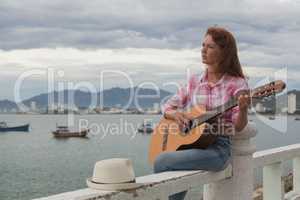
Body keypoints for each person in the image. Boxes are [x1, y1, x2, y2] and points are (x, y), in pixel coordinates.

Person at [153, 26, 251, 200]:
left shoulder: (237, 83)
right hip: (192, 144)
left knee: (162, 161)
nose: (203, 50)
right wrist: (175, 115)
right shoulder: (195, 81)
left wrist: (243, 109)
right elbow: (167, 106)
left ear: (224, 52)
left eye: (210, 46)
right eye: (202, 45)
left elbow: (238, 126)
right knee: (165, 161)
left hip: (218, 149)